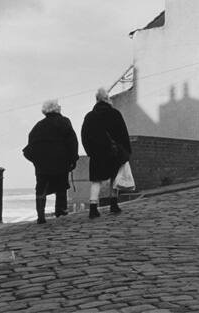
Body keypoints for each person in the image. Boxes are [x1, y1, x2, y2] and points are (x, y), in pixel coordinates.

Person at [23, 100, 79, 224]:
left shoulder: (38, 125)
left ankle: (41, 216)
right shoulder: (64, 122)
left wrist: (36, 161)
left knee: (41, 188)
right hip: (60, 161)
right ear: (57, 109)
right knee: (61, 187)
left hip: (42, 164)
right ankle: (61, 213)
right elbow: (72, 142)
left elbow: (31, 145)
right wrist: (73, 159)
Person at [81, 88, 131, 218]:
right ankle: (113, 205)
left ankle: (93, 208)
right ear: (107, 99)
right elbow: (123, 134)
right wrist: (126, 151)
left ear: (97, 100)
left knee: (96, 181)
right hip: (113, 153)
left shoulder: (90, 116)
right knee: (114, 179)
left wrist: (90, 151)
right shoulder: (115, 114)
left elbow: (84, 136)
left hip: (97, 154)